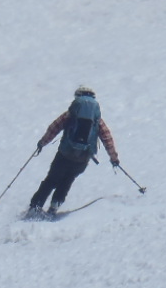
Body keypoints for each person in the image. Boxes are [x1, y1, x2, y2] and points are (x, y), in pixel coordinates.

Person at [29, 86, 119, 216]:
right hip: (83, 158)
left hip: (65, 153)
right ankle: (54, 206)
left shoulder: (71, 113)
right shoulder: (96, 119)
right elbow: (107, 138)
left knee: (51, 180)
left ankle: (35, 207)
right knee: (68, 180)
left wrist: (42, 143)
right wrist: (114, 158)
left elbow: (54, 128)